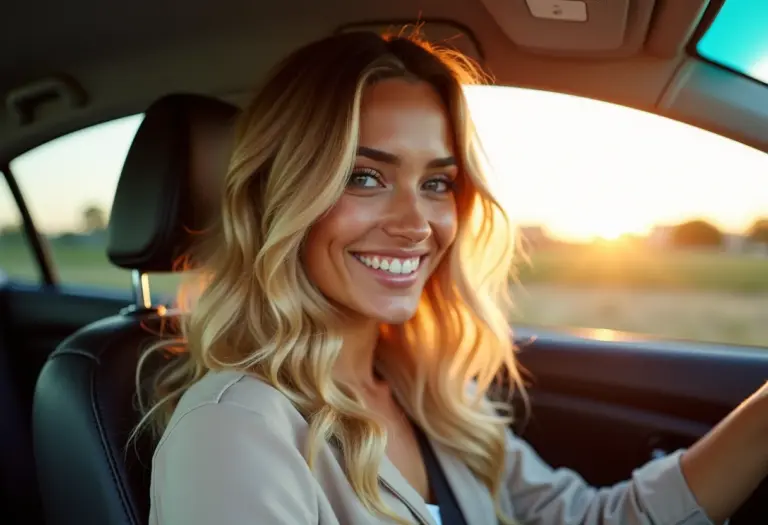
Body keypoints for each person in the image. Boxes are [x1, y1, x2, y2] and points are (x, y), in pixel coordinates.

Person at [139, 30, 768, 525]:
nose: (418, 223)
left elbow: (593, 520)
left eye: (437, 183)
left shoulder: (427, 390)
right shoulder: (234, 430)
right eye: (365, 176)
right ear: (278, 198)